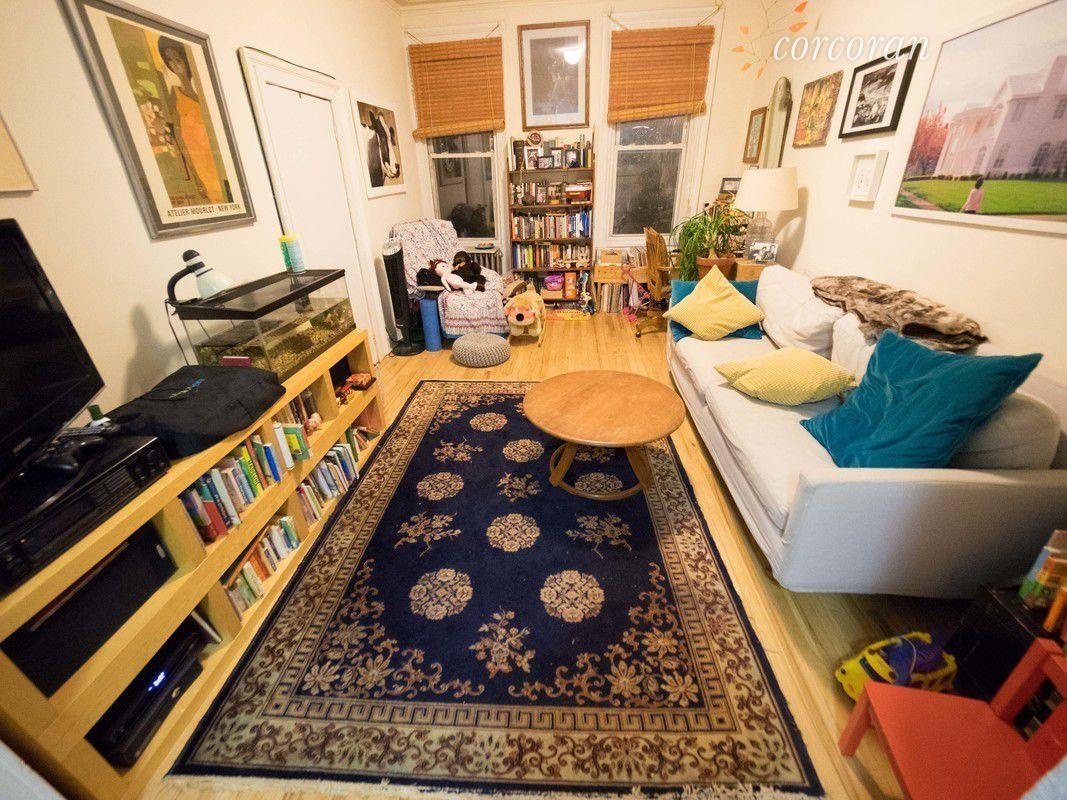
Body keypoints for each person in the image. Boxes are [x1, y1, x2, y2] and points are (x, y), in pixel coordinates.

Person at [158, 36, 225, 205]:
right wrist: (194, 174)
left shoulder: (205, 94)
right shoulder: (175, 94)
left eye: (178, 59)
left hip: (216, 155)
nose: (174, 64)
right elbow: (178, 137)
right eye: (170, 60)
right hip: (197, 159)